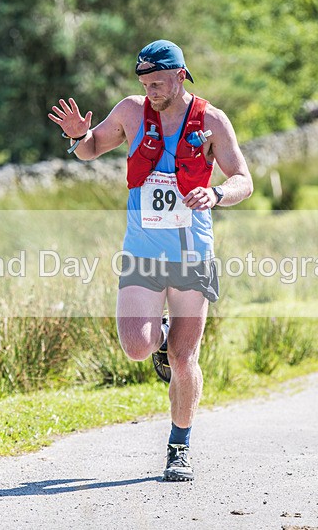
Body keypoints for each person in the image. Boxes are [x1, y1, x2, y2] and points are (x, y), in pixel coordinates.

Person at [48, 40, 253, 481]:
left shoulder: (212, 121)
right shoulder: (130, 111)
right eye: (145, 82)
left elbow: (243, 180)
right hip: (142, 253)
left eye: (159, 81)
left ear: (182, 75)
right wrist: (78, 135)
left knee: (185, 359)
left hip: (192, 255)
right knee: (137, 347)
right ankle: (158, 336)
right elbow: (89, 150)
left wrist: (216, 193)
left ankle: (179, 447)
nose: (152, 90)